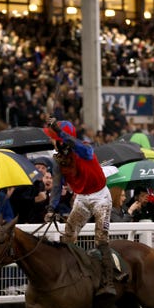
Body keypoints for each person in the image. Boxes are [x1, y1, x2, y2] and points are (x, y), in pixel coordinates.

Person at [44, 119, 120, 296]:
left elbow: (78, 146)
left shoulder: (84, 149)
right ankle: (71, 275)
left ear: (61, 140)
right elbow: (56, 187)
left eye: (52, 138)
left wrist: (60, 133)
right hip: (82, 199)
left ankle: (109, 283)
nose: (50, 141)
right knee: (68, 236)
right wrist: (50, 208)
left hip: (101, 197)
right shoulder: (58, 161)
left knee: (101, 238)